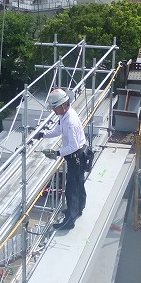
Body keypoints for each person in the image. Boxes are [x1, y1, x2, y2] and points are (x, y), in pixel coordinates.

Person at [36, 88, 87, 231]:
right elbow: (58, 130)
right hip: (77, 157)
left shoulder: (70, 121)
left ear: (64, 105)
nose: (53, 110)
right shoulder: (65, 115)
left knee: (72, 189)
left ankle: (70, 220)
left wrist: (56, 152)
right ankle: (78, 209)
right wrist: (43, 134)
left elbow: (73, 145)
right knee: (79, 184)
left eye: (55, 107)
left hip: (76, 157)